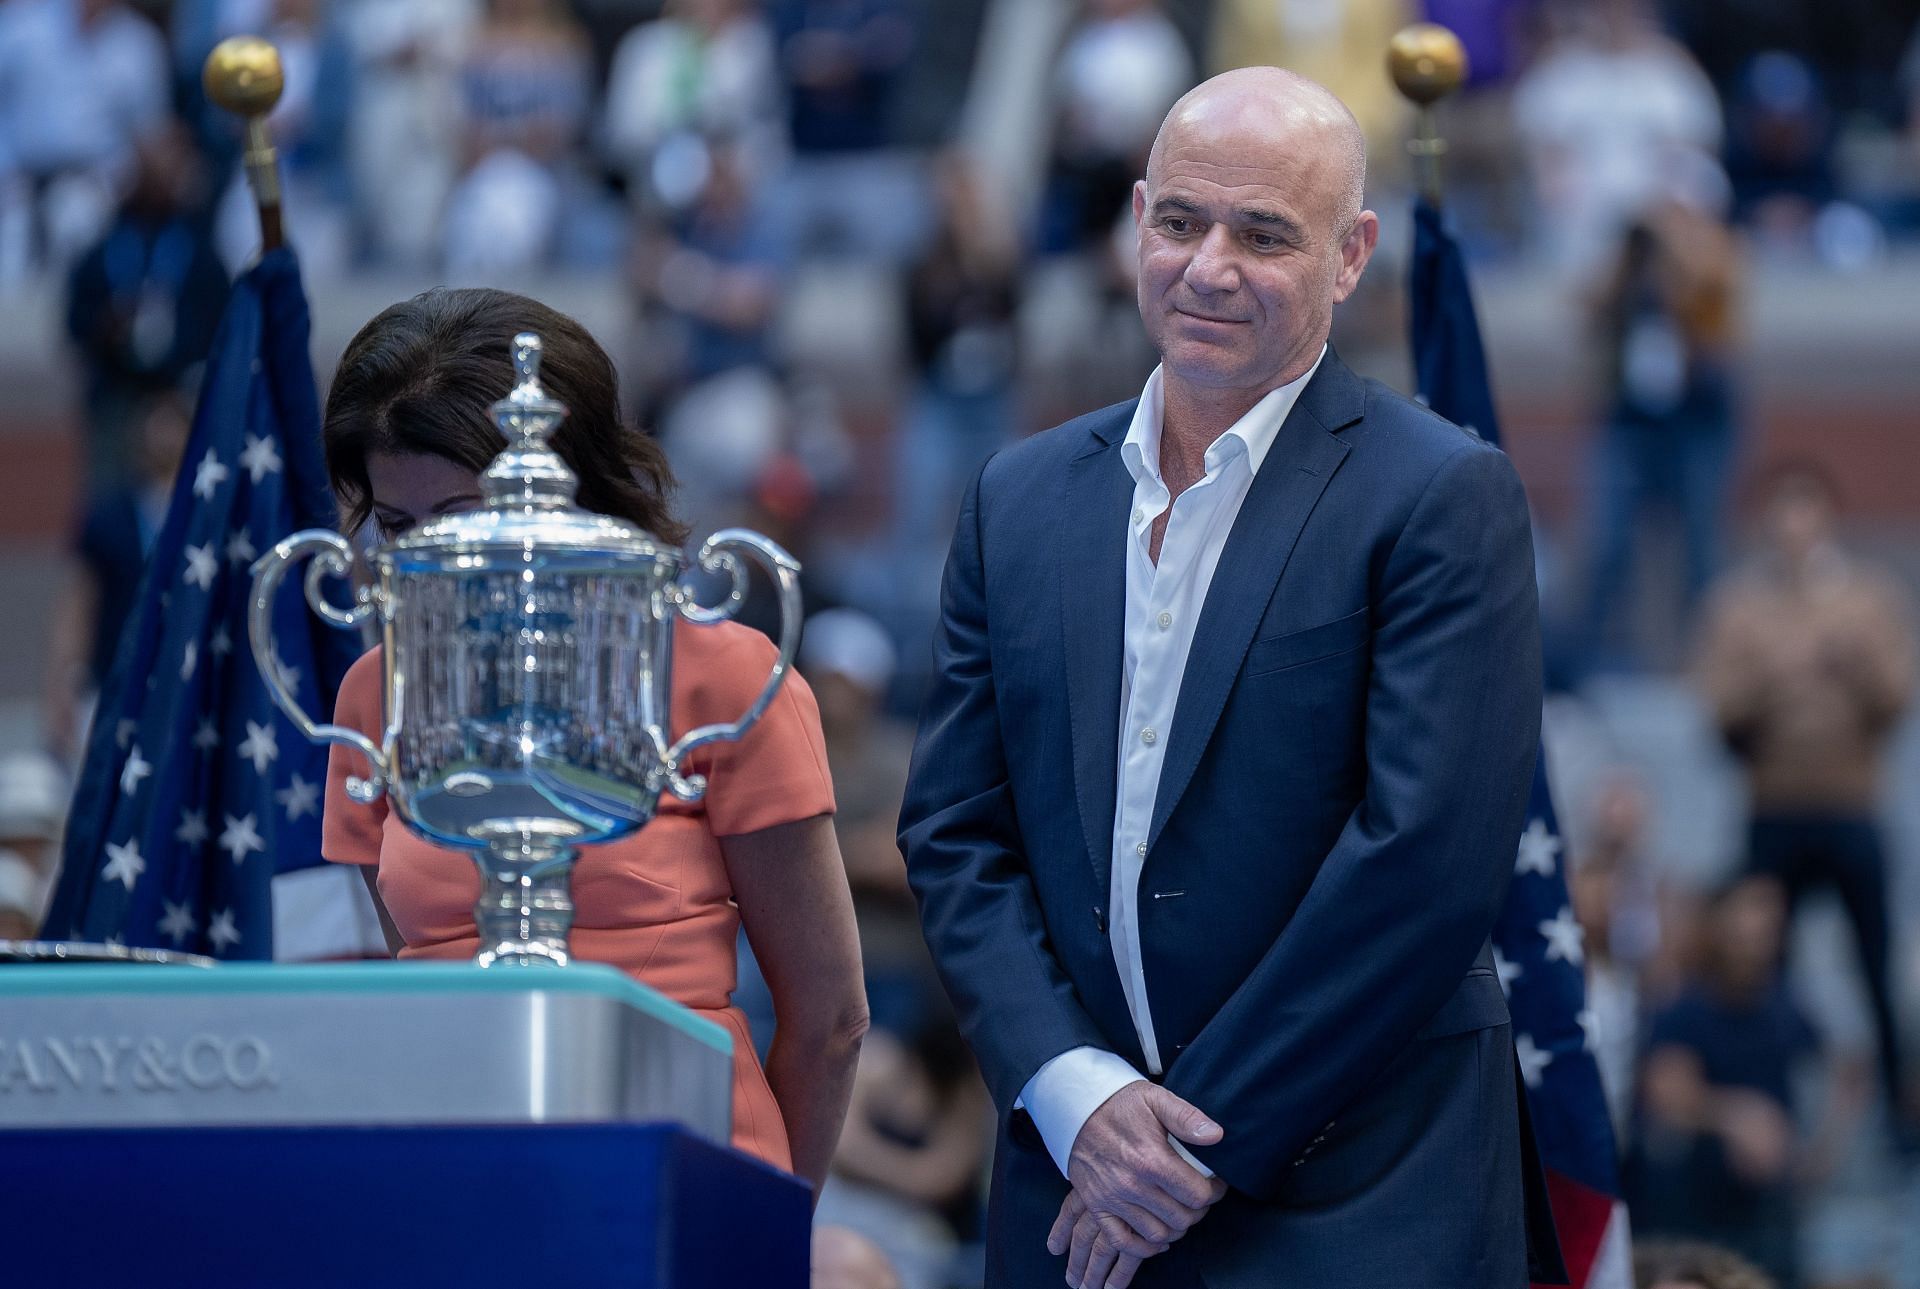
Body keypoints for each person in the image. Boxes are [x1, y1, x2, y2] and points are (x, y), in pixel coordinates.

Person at [898, 68, 1555, 1289]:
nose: (1208, 266)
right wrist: (1080, 1095)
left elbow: (1422, 860)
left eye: (1264, 234)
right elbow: (952, 831)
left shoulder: (1439, 495)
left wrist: (1193, 1141)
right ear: (1133, 217)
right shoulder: (1017, 499)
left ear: (1352, 255)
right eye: (1181, 221)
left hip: (1358, 1195)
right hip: (1075, 1189)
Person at [317, 287, 869, 1191]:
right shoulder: (374, 692)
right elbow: (396, 990)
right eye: (397, 527)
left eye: (462, 515)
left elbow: (830, 1019)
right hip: (447, 1180)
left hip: (684, 1177)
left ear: (576, 486)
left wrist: (760, 1226)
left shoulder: (727, 676)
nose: (428, 560)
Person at [1693, 462, 1915, 1131]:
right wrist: (1779, 677)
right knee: (1763, 966)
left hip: (1852, 806)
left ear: (1827, 518)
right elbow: (1717, 707)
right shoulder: (1737, 605)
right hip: (1773, 808)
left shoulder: (1870, 598)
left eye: (1806, 511)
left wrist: (1850, 665)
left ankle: (1900, 1112)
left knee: (1875, 962)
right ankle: (1774, 1100)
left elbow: (1897, 697)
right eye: (1782, 513)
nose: (1794, 527)